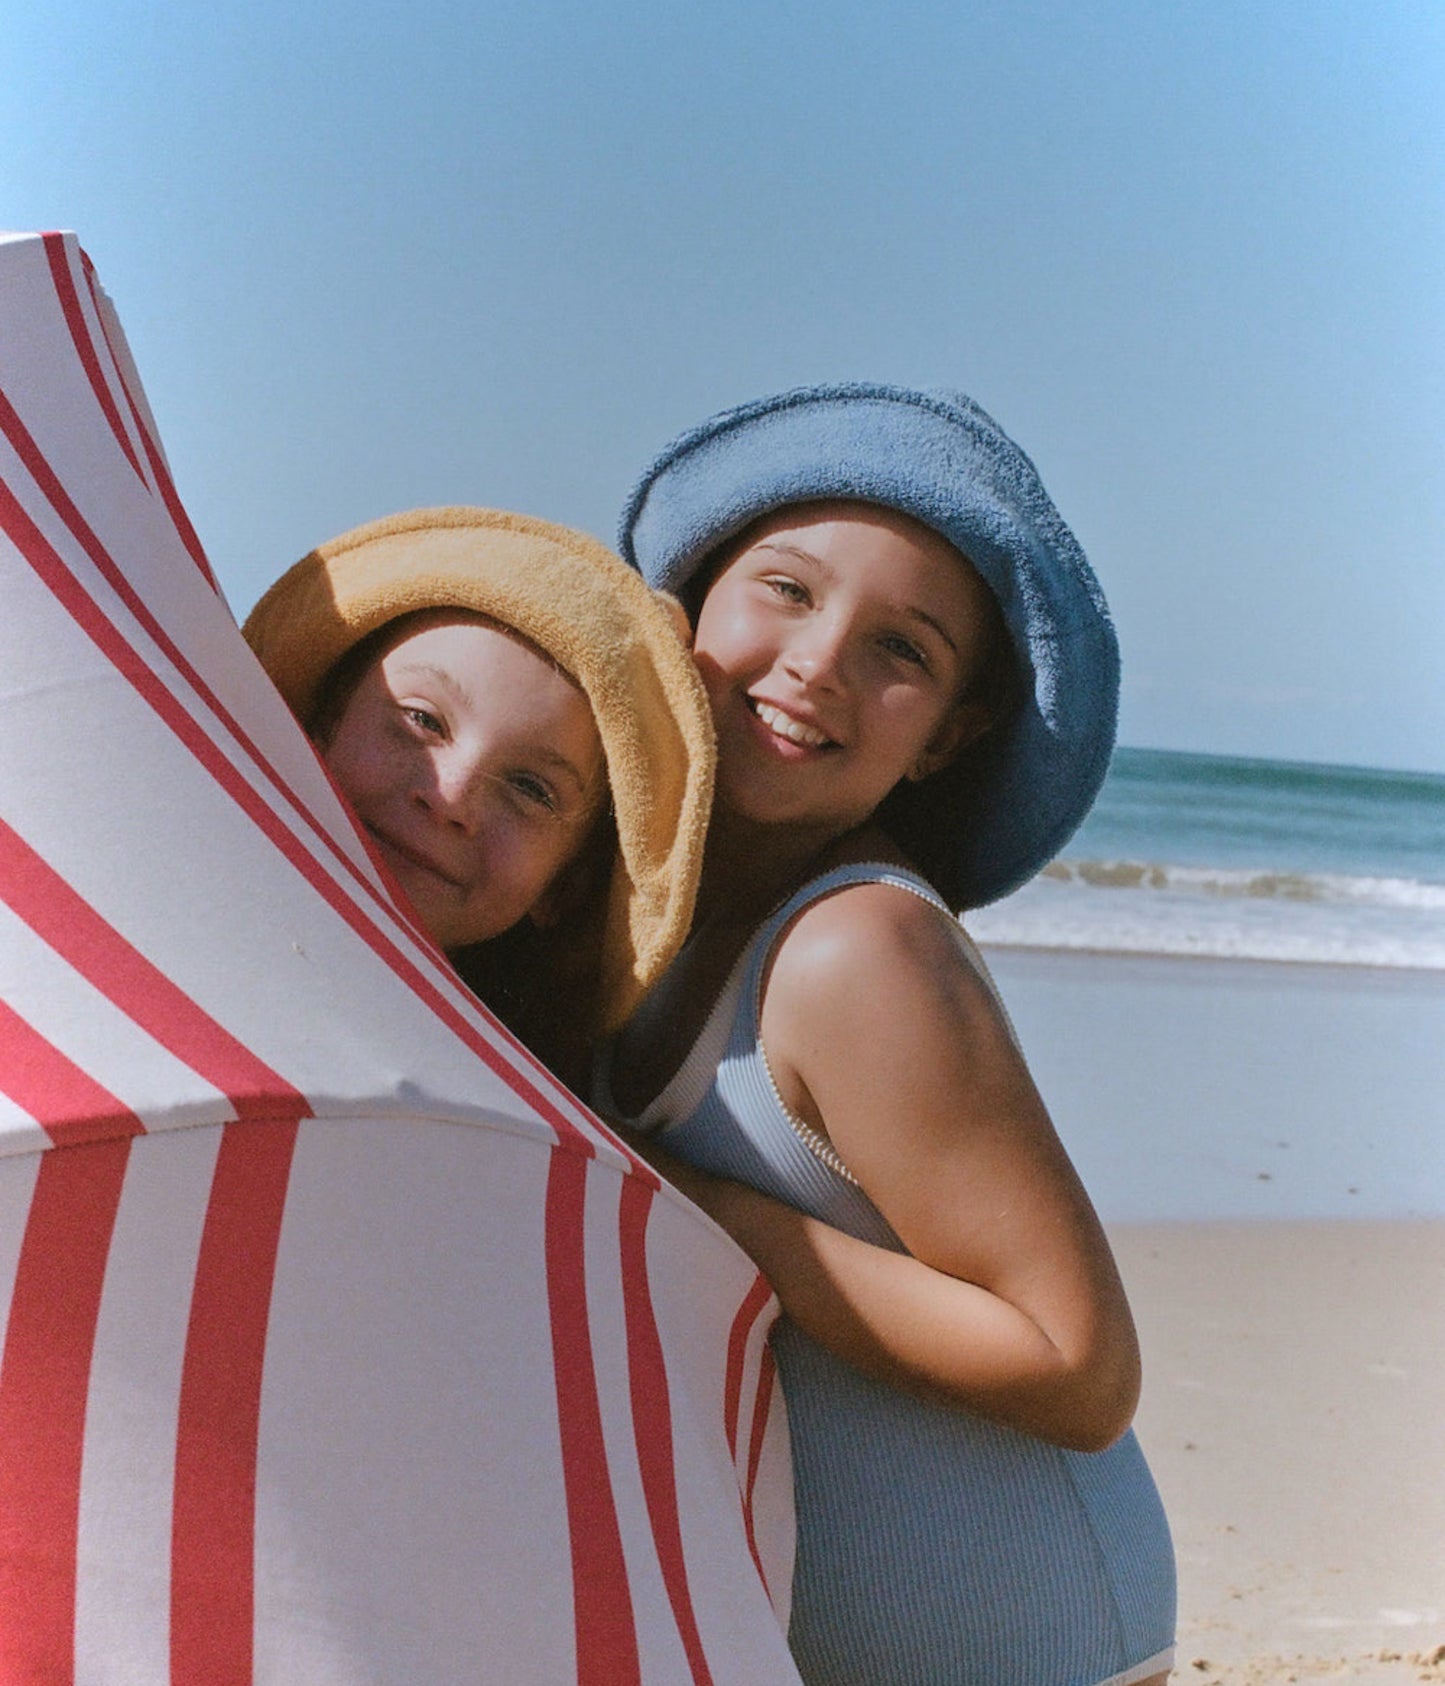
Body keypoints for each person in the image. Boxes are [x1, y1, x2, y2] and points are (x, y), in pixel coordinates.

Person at [595, 385, 1176, 1685]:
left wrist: (709, 1218)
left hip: (1030, 1646)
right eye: (787, 591)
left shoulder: (857, 950)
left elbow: (1078, 1365)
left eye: (901, 649)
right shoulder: (635, 912)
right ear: (683, 610)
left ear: (945, 739)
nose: (820, 661)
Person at [243, 504, 714, 1082]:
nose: (451, 798)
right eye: (422, 720)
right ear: (321, 726)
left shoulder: (512, 1142)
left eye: (530, 789)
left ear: (565, 886)